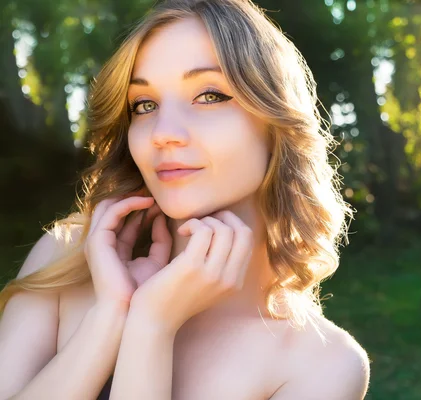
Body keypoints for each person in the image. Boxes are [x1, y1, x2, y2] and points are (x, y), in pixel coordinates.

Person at [0, 0, 370, 398]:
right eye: (145, 105)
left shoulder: (322, 366)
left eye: (209, 95)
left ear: (276, 120)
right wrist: (108, 319)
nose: (164, 132)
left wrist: (150, 325)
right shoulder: (66, 258)